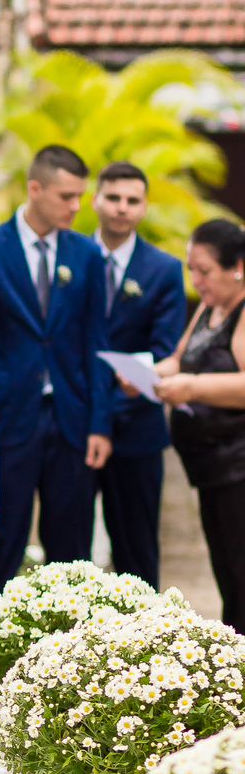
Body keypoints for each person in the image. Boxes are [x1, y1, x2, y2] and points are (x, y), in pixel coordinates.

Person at [0, 146, 113, 607]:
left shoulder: (86, 254)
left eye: (80, 196)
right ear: (35, 189)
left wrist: (99, 423)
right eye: (66, 196)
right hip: (7, 420)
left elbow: (96, 342)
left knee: (71, 555)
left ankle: (67, 652)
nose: (77, 206)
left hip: (70, 422)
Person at [91, 162, 186, 588]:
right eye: (113, 197)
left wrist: (111, 410)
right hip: (76, 430)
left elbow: (164, 352)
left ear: (144, 207)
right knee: (68, 551)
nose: (122, 208)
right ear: (95, 200)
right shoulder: (71, 258)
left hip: (137, 430)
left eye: (132, 200)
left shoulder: (164, 269)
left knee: (138, 557)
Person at [155, 219, 245, 633]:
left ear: (237, 267)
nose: (196, 280)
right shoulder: (209, 308)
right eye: (191, 269)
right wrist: (146, 373)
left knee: (241, 576)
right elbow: (180, 359)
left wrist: (192, 387)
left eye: (204, 271)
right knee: (226, 572)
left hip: (238, 467)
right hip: (209, 470)